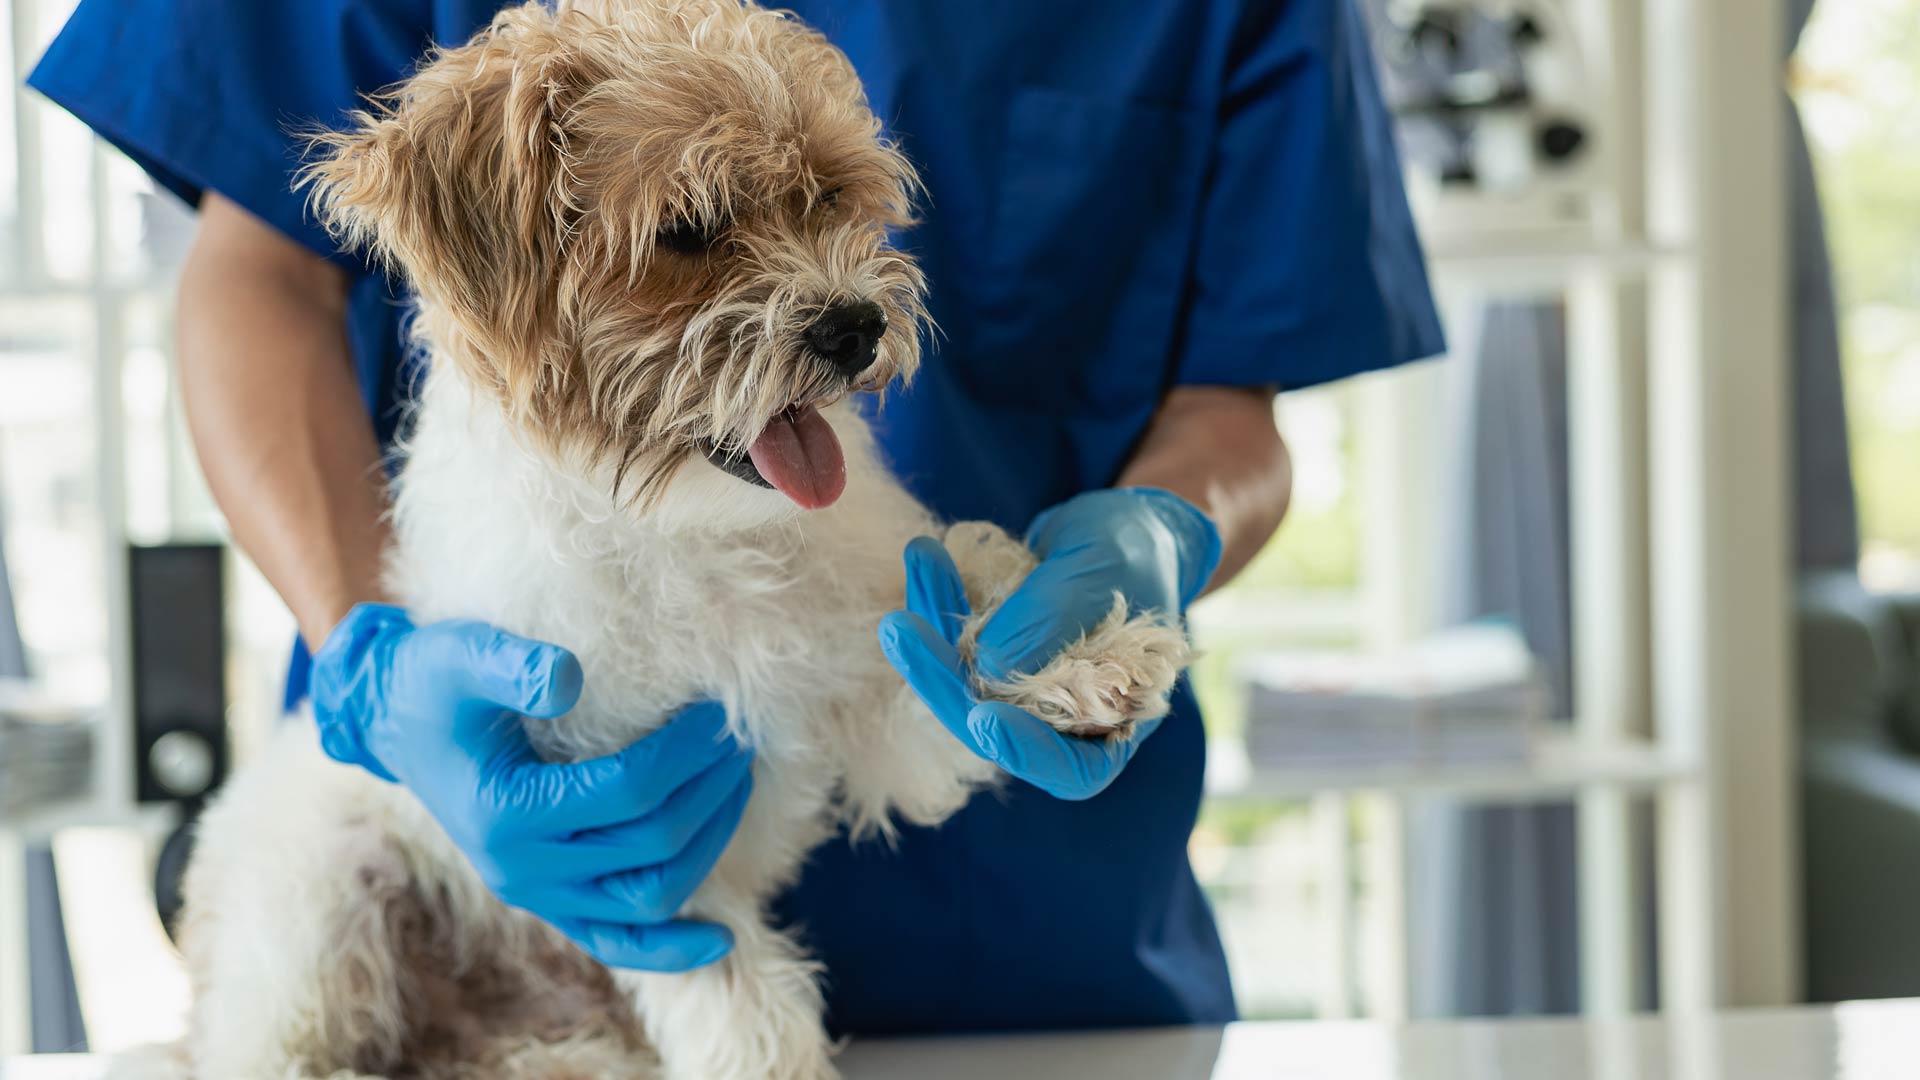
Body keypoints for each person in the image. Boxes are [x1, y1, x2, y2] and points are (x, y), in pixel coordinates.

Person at [30, 0, 1441, 1035]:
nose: (835, 295)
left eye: (836, 210)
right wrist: (364, 653)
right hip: (476, 828)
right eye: (691, 233)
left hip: (1036, 946)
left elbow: (1236, 407)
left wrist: (1158, 534)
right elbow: (260, 273)